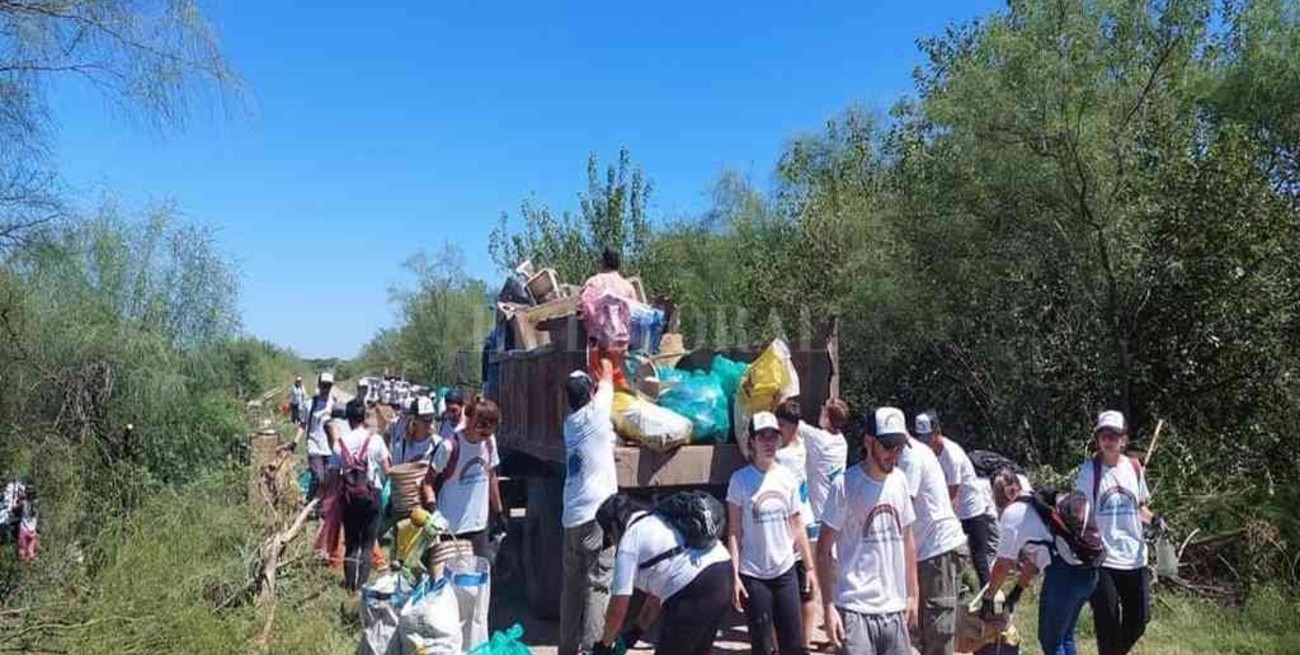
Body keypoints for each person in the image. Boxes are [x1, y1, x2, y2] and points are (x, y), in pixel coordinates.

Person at [816, 406, 919, 655]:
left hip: (894, 609)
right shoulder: (845, 485)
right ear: (868, 442)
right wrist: (829, 606)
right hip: (854, 609)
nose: (894, 454)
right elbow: (823, 550)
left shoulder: (901, 481)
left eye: (899, 447)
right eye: (887, 446)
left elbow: (908, 540)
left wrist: (912, 594)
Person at [592, 494, 734, 655]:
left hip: (695, 587)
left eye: (610, 538)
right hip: (723, 572)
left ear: (615, 526)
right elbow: (656, 597)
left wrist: (604, 645)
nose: (613, 544)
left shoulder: (629, 542)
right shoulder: (658, 520)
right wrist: (634, 634)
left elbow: (618, 608)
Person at [982, 469, 1098, 655]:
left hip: (1064, 576)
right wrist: (1016, 592)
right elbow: (1036, 560)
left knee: (1051, 641)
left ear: (1007, 492)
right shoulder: (1038, 504)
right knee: (1065, 636)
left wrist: (989, 596)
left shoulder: (1013, 513)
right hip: (1087, 573)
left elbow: (1004, 564)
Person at [729, 411, 817, 655]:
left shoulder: (787, 478)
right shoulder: (740, 481)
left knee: (793, 643)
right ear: (752, 442)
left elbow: (797, 526)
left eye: (773, 437)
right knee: (763, 645)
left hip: (785, 572)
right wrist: (734, 575)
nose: (769, 443)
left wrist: (809, 568)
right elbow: (734, 531)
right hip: (753, 575)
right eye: (763, 437)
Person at [1075, 410, 1152, 655]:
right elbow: (1080, 511)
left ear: (1124, 440)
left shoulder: (1134, 468)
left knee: (1139, 620)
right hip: (1104, 559)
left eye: (1114, 435)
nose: (1108, 440)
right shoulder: (1089, 472)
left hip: (1135, 557)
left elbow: (1140, 507)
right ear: (1097, 439)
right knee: (1107, 624)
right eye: (1103, 435)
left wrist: (1156, 520)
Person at [559, 360, 619, 655]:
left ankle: (567, 650)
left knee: (572, 588)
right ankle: (594, 649)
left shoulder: (569, 424)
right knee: (597, 584)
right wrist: (603, 357)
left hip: (571, 515)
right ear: (591, 393)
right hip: (598, 514)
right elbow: (608, 374)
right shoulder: (596, 414)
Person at [897, 412, 968, 655]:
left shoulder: (910, 457)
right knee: (922, 629)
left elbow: (900, 507)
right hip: (927, 551)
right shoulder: (911, 453)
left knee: (937, 633)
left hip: (938, 551)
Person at [915, 410, 999, 589]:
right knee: (955, 557)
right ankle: (960, 588)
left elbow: (953, 496)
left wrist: (943, 524)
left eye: (928, 438)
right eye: (922, 439)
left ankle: (992, 598)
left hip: (970, 510)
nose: (926, 443)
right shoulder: (928, 454)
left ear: (937, 431)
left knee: (978, 557)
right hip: (954, 509)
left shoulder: (951, 456)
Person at [430, 398, 503, 559]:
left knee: (478, 579)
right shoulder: (449, 447)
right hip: (451, 528)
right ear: (468, 419)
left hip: (478, 527)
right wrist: (433, 512)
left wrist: (499, 513)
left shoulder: (490, 443)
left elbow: (491, 476)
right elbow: (427, 483)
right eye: (481, 425)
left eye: (491, 426)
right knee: (450, 580)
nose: (485, 431)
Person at [773, 401, 820, 650]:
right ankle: (793, 643)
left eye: (782, 426)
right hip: (793, 521)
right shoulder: (800, 444)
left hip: (798, 524)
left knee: (801, 587)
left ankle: (801, 642)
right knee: (793, 586)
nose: (779, 430)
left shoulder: (783, 455)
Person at [334, 398, 391, 591]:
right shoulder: (376, 440)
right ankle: (362, 586)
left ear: (348, 418)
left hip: (349, 497)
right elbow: (387, 469)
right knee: (368, 544)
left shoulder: (340, 442)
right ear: (364, 417)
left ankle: (350, 586)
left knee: (351, 543)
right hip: (372, 495)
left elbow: (333, 473)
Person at [581, 246, 636, 388]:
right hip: (621, 343)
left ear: (603, 262)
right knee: (621, 383)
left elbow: (584, 309)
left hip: (599, 343)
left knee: (600, 384)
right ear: (619, 264)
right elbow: (634, 316)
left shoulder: (593, 282)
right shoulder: (627, 286)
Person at [304, 372, 337, 504]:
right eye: (323, 385)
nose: (326, 388)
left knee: (329, 479)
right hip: (314, 446)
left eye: (328, 386)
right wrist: (295, 441)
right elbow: (303, 424)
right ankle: (311, 502)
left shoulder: (334, 405)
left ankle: (322, 507)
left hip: (329, 449)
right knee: (319, 477)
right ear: (319, 385)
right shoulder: (310, 404)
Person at [392, 396, 440, 466]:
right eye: (426, 419)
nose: (431, 423)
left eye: (432, 418)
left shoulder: (437, 443)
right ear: (414, 420)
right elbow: (396, 472)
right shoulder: (402, 445)